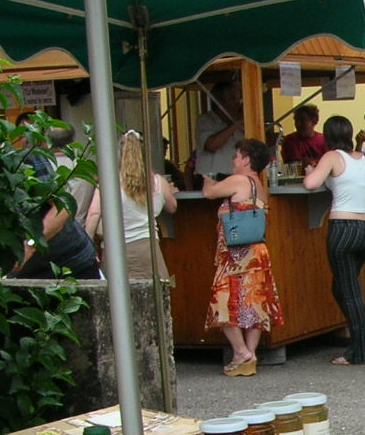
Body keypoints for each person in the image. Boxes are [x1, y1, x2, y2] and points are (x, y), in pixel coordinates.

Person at [200, 138, 280, 376]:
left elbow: (209, 193)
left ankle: (240, 351)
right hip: (258, 251)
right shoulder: (259, 186)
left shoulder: (238, 180)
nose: (233, 160)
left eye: (236, 156)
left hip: (236, 253)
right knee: (254, 301)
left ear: (246, 159)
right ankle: (250, 354)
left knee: (222, 301)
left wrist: (207, 179)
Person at [302, 116, 365, 365]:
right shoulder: (360, 157)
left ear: (328, 136)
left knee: (349, 291)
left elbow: (311, 184)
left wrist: (312, 172)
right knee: (344, 287)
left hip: (342, 228)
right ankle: (363, 343)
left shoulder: (332, 156)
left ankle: (360, 351)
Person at [84, 130, 177, 282]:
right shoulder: (158, 181)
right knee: (154, 297)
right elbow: (172, 207)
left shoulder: (109, 182)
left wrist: (88, 248)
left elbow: (94, 214)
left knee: (116, 299)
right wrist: (169, 191)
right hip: (148, 248)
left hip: (115, 249)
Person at [13, 149, 100, 280]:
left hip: (71, 260)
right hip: (28, 268)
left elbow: (62, 209)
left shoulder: (26, 158)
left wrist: (31, 245)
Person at [194, 77, 244, 181]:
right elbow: (212, 145)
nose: (238, 103)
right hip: (211, 179)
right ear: (219, 101)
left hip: (235, 177)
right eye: (232, 99)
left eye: (238, 99)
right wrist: (237, 123)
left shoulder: (243, 125)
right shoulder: (205, 120)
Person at [279, 104, 326, 171]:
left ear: (314, 122)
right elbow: (292, 164)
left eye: (302, 120)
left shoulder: (323, 140)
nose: (298, 124)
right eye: (296, 120)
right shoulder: (290, 140)